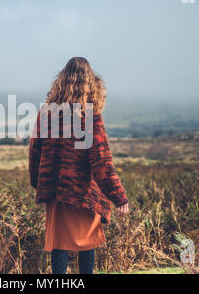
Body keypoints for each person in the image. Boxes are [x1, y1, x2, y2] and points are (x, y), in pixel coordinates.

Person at [29, 57, 129, 274]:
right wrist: (118, 195)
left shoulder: (46, 113)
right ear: (90, 82)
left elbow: (34, 152)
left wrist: (40, 183)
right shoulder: (90, 115)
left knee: (59, 243)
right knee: (88, 242)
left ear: (62, 80)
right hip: (84, 192)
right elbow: (101, 162)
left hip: (56, 190)